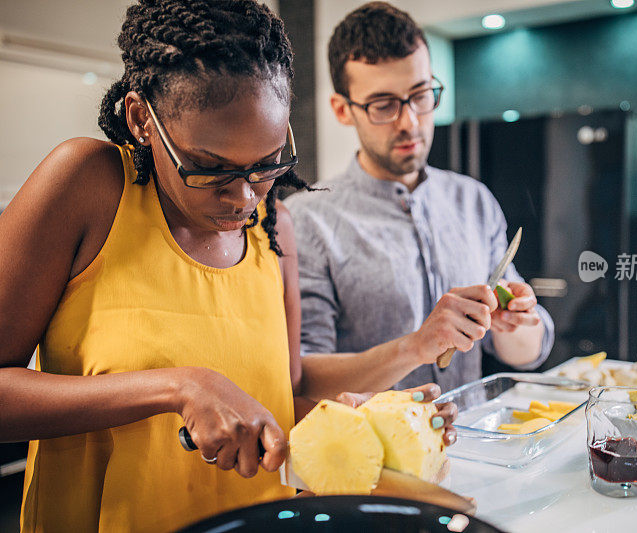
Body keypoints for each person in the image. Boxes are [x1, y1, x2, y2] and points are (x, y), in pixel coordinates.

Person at [0, 2, 455, 531]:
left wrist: (363, 424)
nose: (242, 197)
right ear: (141, 119)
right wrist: (177, 387)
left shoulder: (274, 228)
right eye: (209, 168)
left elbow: (281, 399)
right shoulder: (88, 184)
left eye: (266, 164)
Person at [285, 2, 555, 393]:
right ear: (343, 110)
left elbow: (529, 351)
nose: (409, 121)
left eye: (421, 95)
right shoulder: (308, 221)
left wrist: (517, 321)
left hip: (475, 446)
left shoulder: (473, 200)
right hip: (375, 452)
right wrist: (414, 348)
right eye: (383, 105)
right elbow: (305, 380)